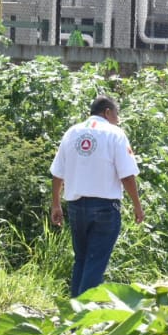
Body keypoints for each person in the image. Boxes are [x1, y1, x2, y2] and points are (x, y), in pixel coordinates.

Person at [50, 95, 144, 297]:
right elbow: (127, 175)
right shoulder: (115, 134)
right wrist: (137, 205)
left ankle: (73, 313)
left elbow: (58, 173)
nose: (118, 120)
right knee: (96, 261)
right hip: (104, 208)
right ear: (108, 112)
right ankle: (84, 315)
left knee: (82, 259)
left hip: (75, 206)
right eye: (117, 115)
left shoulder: (72, 132)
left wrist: (56, 204)